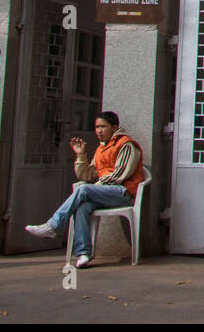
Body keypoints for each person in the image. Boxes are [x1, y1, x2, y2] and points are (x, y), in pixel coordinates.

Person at [25, 111, 144, 268]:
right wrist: (81, 156)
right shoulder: (101, 149)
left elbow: (119, 176)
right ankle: (84, 253)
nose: (99, 131)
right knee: (82, 206)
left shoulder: (127, 145)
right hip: (105, 193)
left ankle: (53, 226)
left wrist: (93, 188)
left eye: (103, 127)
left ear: (114, 127)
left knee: (83, 190)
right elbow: (87, 175)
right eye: (96, 127)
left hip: (123, 193)